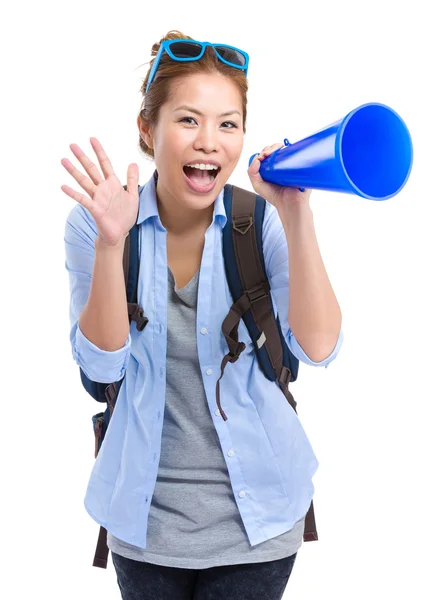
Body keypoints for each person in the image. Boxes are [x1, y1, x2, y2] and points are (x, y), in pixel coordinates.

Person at [62, 30, 344, 600]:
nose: (209, 142)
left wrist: (294, 213)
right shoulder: (96, 224)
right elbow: (102, 367)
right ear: (149, 130)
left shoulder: (258, 222)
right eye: (188, 120)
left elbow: (319, 347)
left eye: (228, 123)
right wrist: (111, 245)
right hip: (145, 526)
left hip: (259, 523)